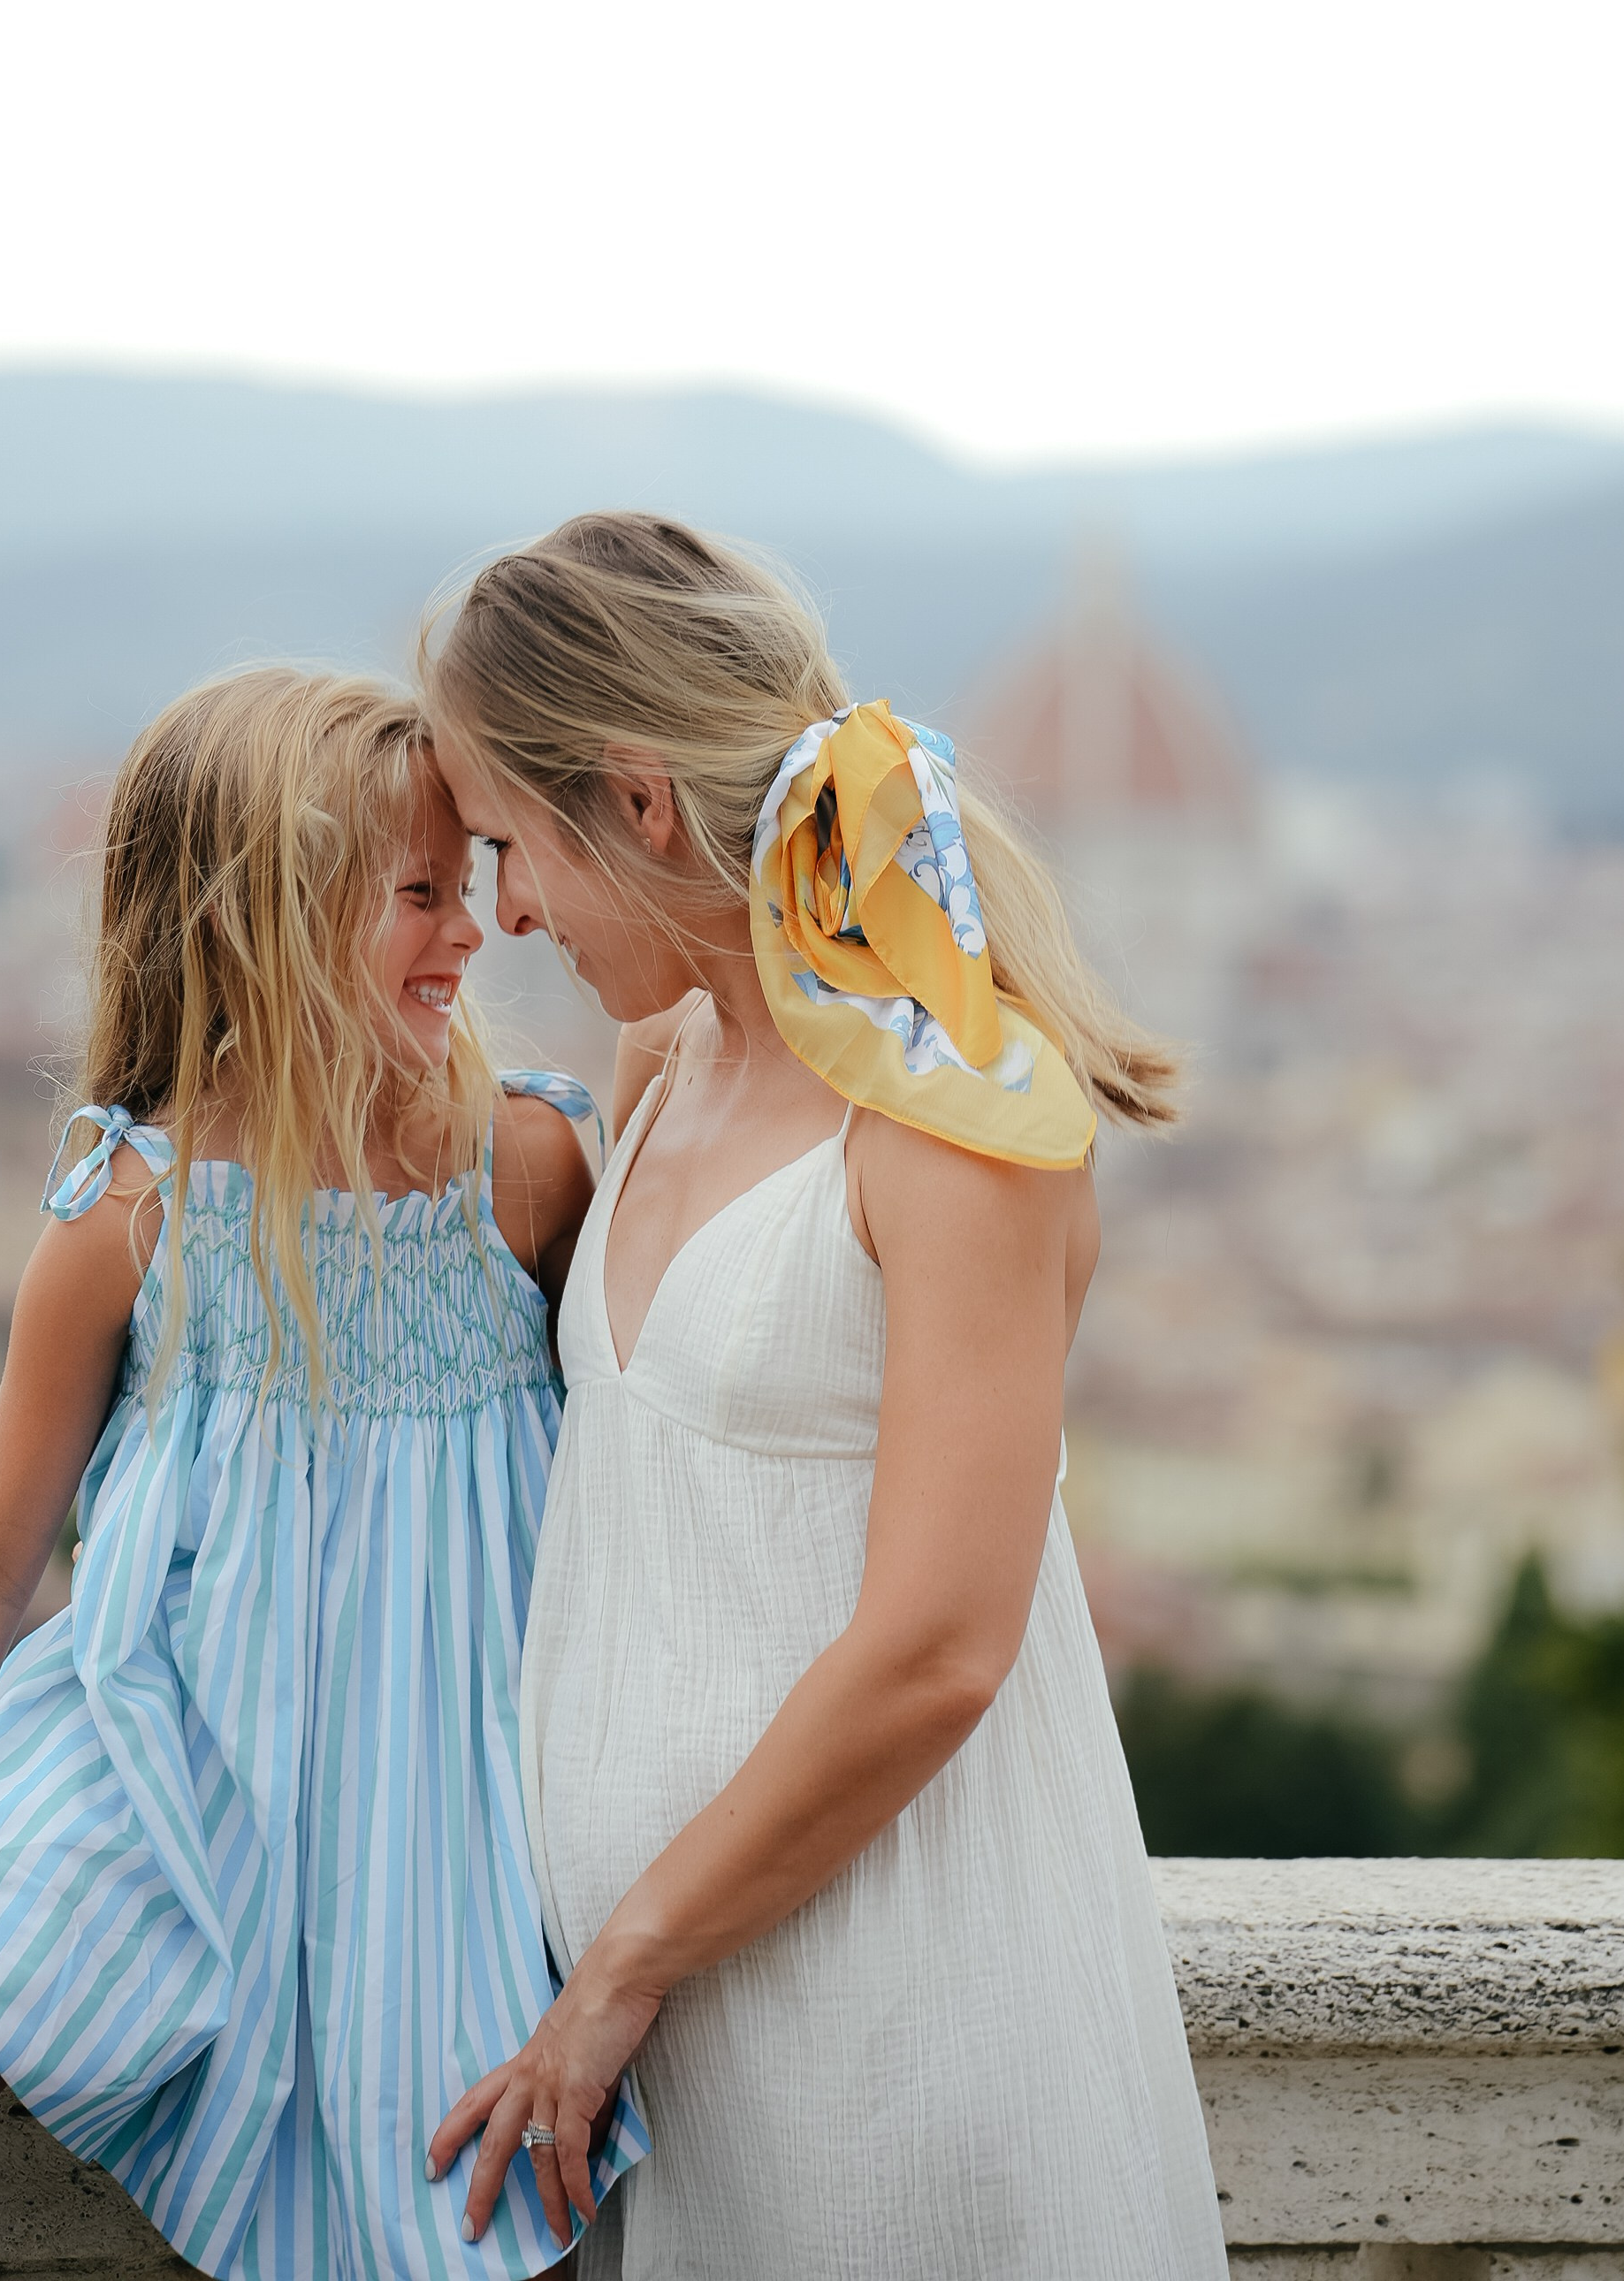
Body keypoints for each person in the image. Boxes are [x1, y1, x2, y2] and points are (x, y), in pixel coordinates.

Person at [419, 515, 1229, 2281]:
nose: (507, 913)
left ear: (639, 804)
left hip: (901, 2008)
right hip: (669, 2039)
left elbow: (941, 1645)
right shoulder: (662, 1059)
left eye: (506, 845)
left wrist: (627, 1961)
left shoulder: (950, 1120)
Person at [0, 667, 645, 2281]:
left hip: (434, 1791)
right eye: (419, 894)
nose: (470, 931)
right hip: (151, 1752)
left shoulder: (528, 1170)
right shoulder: (136, 1211)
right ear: (265, 917)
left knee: (449, 2213)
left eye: (465, 885)